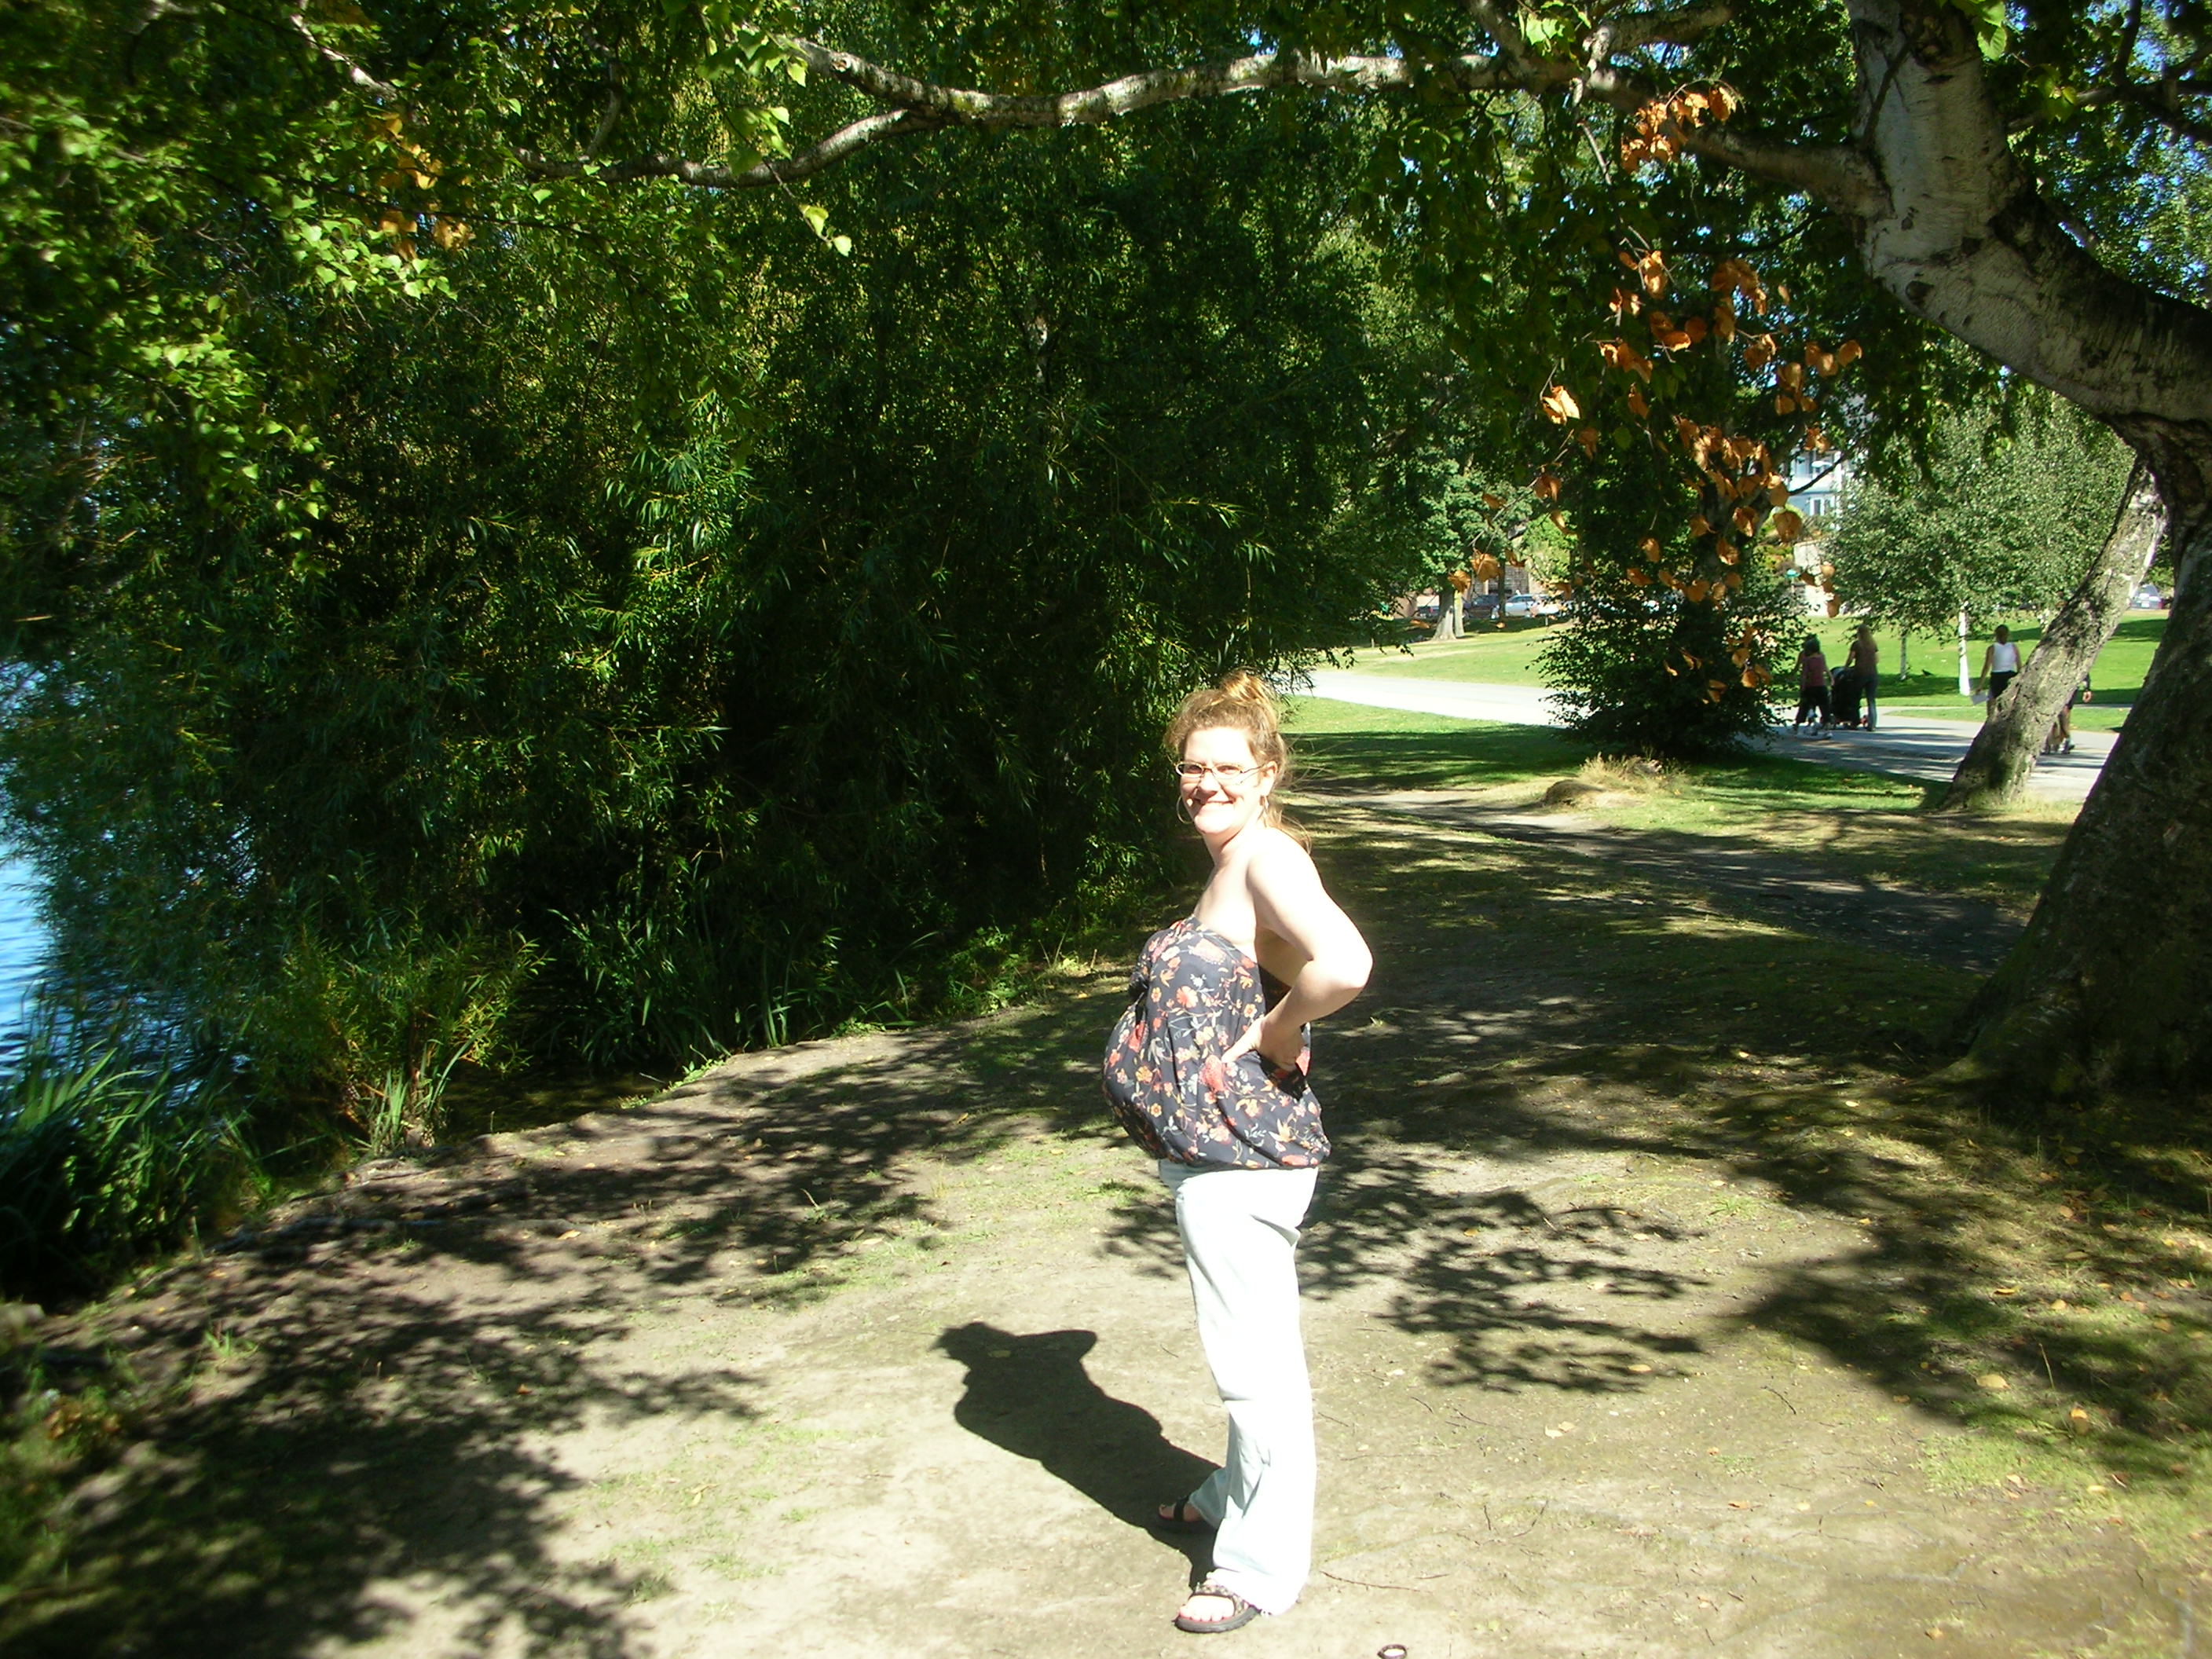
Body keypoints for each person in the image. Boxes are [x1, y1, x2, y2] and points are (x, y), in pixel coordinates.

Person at [1101, 671, 1372, 1636]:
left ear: (1266, 775)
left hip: (1242, 1159)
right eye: (1192, 767)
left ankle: (1258, 1569)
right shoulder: (1230, 868)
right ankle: (1228, 1493)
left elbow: (1345, 964)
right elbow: (1277, 968)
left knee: (1255, 1369)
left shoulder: (1265, 858)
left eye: (1226, 768)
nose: (1205, 784)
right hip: (1209, 1153)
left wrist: (1279, 1029)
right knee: (1240, 1351)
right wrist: (1281, 1015)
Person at [1793, 635, 1830, 734]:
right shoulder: (1821, 658)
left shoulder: (1807, 660)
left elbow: (1804, 675)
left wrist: (1802, 687)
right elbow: (1824, 669)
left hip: (1810, 687)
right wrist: (1831, 678)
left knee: (1805, 706)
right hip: (1821, 686)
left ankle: (1797, 725)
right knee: (1824, 706)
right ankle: (1827, 726)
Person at [1979, 624, 2021, 709]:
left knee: (1992, 703)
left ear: (1996, 635)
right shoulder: (2013, 647)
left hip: (1996, 677)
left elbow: (1987, 666)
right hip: (2010, 676)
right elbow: (2019, 665)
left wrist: (1980, 684)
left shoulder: (1992, 648)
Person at [1849, 623, 1881, 731]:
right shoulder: (1873, 644)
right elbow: (1877, 659)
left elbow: (1851, 658)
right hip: (1873, 674)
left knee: (1855, 698)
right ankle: (1872, 724)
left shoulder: (1857, 644)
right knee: (1871, 699)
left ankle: (1854, 722)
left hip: (1860, 673)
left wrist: (1846, 667)